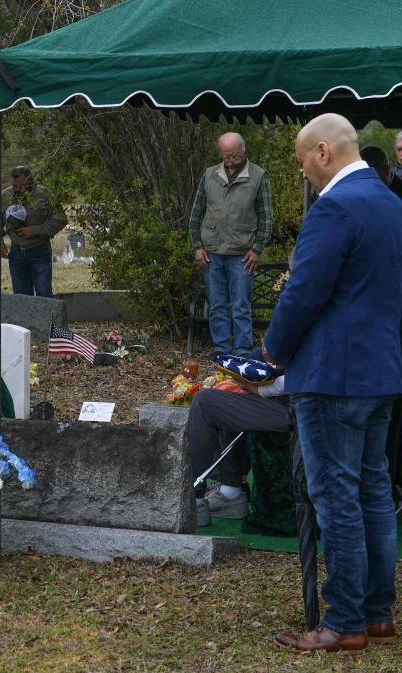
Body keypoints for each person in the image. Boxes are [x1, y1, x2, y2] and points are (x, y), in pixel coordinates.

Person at [266, 114, 402, 652]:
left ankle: (344, 620)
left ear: (323, 152)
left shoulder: (334, 208)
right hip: (382, 370)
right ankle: (376, 611)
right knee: (373, 490)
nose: (304, 174)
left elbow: (303, 292)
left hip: (332, 375)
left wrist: (273, 349)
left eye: (302, 162)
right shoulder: (394, 205)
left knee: (337, 496)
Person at [189, 133, 274, 356]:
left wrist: (257, 249)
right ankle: (222, 351)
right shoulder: (209, 175)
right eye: (226, 156)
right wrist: (197, 246)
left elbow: (266, 216)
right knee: (217, 305)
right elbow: (196, 214)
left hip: (242, 253)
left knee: (241, 306)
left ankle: (243, 352)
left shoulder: (258, 176)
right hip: (211, 251)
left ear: (243, 150)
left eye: (234, 156)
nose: (231, 161)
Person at [188, 376, 289, 526]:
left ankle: (192, 502)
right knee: (229, 395)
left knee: (205, 402)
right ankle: (231, 493)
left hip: (302, 405)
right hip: (297, 400)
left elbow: (299, 373)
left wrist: (258, 388)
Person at [2, 166, 67, 297]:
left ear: (30, 181)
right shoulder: (4, 196)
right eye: (14, 186)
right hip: (17, 252)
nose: (17, 189)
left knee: (44, 293)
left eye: (20, 186)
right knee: (21, 297)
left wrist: (35, 230)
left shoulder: (46, 194)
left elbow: (60, 219)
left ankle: (46, 318)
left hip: (40, 251)